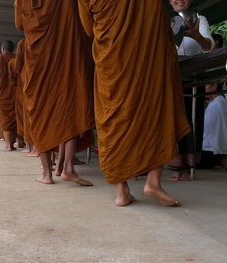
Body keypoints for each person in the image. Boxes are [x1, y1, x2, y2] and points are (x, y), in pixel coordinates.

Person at [78, 0, 190, 205]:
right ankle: (153, 182)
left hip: (111, 60)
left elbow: (88, 28)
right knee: (157, 107)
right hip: (148, 54)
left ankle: (122, 191)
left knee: (113, 119)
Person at [15, 0, 94, 186]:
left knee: (42, 115)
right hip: (65, 57)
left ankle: (46, 174)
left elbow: (19, 25)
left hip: (38, 64)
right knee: (69, 108)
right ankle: (67, 168)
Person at [168, 0, 215, 181]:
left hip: (192, 75)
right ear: (170, 2)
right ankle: (175, 164)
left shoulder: (199, 19)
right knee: (171, 117)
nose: (179, 0)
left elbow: (208, 47)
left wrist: (196, 36)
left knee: (191, 117)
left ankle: (188, 167)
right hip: (169, 74)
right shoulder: (165, 21)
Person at [0, 40, 17, 151]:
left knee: (5, 118)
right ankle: (18, 142)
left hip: (2, 93)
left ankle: (8, 145)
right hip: (16, 92)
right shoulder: (16, 58)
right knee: (16, 118)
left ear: (2, 48)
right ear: (13, 49)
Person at [198, 83, 227, 169]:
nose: (204, 88)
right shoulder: (214, 102)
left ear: (214, 86)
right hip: (213, 148)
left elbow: (211, 129)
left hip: (213, 150)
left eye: (206, 85)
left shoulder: (218, 103)